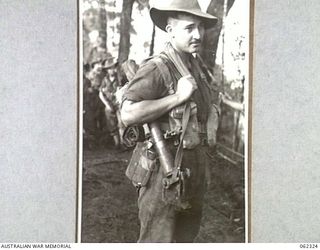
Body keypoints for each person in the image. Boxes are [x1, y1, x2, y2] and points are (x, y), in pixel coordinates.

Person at [121, 0, 219, 243]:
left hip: (192, 171)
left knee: (185, 239)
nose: (197, 34)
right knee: (158, 241)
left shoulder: (195, 66)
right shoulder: (157, 68)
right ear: (170, 29)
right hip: (162, 176)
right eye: (189, 28)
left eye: (200, 27)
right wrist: (177, 97)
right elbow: (128, 114)